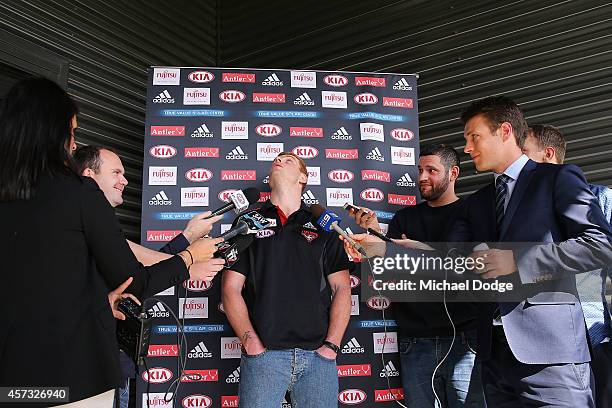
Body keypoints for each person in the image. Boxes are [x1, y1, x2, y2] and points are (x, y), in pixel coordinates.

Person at [347, 96, 612, 406]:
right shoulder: (479, 202)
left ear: (504, 132)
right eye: (466, 140)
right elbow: (451, 261)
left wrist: (516, 260)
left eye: (475, 137)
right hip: (492, 357)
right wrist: (382, 252)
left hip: (551, 354)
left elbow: (600, 245)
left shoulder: (557, 178)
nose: (469, 148)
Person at [0, 77, 222, 406]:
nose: (73, 145)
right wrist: (189, 257)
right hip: (74, 377)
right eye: (71, 132)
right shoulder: (78, 195)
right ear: (51, 133)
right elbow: (135, 279)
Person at [73, 144, 225, 408]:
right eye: (116, 172)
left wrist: (188, 238)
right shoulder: (78, 230)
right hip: (88, 368)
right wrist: (189, 261)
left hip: (113, 363)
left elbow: (140, 266)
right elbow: (139, 280)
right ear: (89, 176)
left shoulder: (100, 229)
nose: (125, 180)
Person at [350, 144, 485, 408]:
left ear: (453, 173)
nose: (422, 177)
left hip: (465, 338)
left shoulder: (473, 213)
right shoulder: (404, 218)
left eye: (431, 170)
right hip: (415, 339)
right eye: (420, 170)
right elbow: (389, 275)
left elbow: (472, 270)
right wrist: (376, 235)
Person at [222, 152, 352, 408]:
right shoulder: (248, 221)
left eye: (289, 160)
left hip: (318, 359)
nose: (278, 161)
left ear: (304, 177)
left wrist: (331, 348)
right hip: (264, 357)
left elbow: (342, 287)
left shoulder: (324, 224)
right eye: (276, 160)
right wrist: (252, 344)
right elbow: (230, 288)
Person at [523, 124, 612, 408]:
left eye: (524, 154)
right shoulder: (513, 209)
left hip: (594, 333)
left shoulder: (599, 199)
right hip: (540, 341)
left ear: (548, 154)